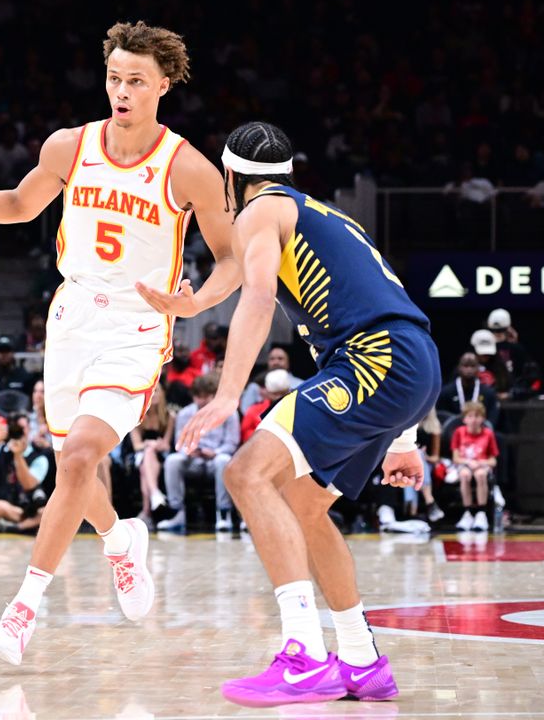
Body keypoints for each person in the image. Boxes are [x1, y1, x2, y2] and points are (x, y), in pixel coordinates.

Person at [0, 21, 239, 665]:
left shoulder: (188, 167)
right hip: (72, 315)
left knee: (77, 459)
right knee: (75, 469)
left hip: (137, 325)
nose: (122, 91)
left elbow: (231, 261)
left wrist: (197, 302)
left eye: (136, 80)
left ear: (163, 85)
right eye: (114, 77)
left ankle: (22, 612)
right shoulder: (69, 146)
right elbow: (22, 204)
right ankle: (118, 540)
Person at [177, 121, 441, 707]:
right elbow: (388, 306)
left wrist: (226, 393)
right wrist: (404, 436)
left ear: (229, 177)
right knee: (301, 504)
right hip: (408, 359)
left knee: (245, 473)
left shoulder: (258, 211)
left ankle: (303, 655)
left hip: (373, 357)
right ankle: (362, 658)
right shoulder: (314, 214)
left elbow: (258, 295)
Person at [156, 373, 240, 532]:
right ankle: (177, 512)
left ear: (214, 395)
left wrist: (215, 452)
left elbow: (232, 443)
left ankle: (223, 513)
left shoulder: (229, 413)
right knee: (173, 461)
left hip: (216, 460)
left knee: (223, 459)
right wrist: (189, 450)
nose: (202, 401)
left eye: (206, 396)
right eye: (198, 396)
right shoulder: (185, 414)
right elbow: (179, 443)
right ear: (193, 396)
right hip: (193, 461)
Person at [129, 386, 176, 528]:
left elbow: (167, 445)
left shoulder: (169, 416)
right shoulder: (137, 416)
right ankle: (155, 494)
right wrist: (149, 444)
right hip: (139, 455)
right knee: (147, 455)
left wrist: (157, 445)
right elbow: (136, 445)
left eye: (157, 392)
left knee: (146, 465)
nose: (154, 395)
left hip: (161, 454)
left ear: (162, 394)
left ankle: (146, 511)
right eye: (152, 392)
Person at [451, 401, 499, 532]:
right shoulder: (459, 432)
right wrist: (468, 462)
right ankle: (467, 512)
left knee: (481, 474)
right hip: (465, 464)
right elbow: (455, 458)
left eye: (477, 416)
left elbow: (493, 461)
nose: (474, 420)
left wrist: (481, 463)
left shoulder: (488, 433)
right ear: (464, 419)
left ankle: (481, 512)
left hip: (482, 465)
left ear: (483, 418)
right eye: (470, 416)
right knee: (465, 475)